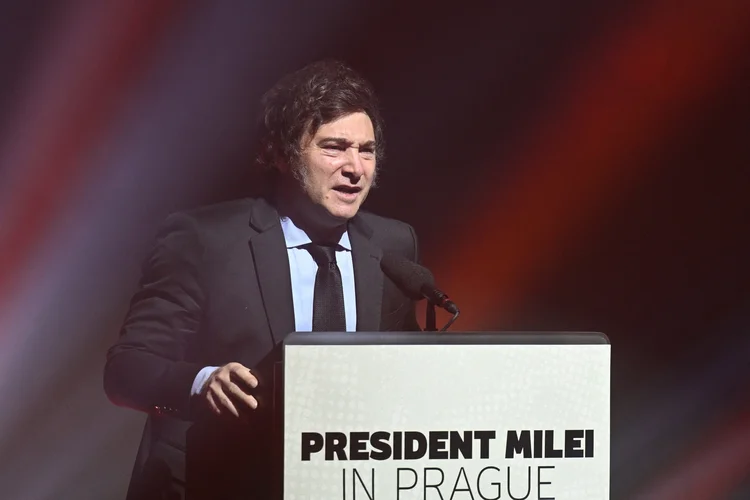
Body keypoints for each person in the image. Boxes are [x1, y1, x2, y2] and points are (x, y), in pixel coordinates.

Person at [103, 60, 421, 500]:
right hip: (216, 484)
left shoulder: (393, 244)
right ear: (282, 155)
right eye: (334, 147)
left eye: (366, 150)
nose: (355, 168)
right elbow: (126, 369)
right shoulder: (203, 240)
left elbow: (406, 369)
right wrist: (202, 381)